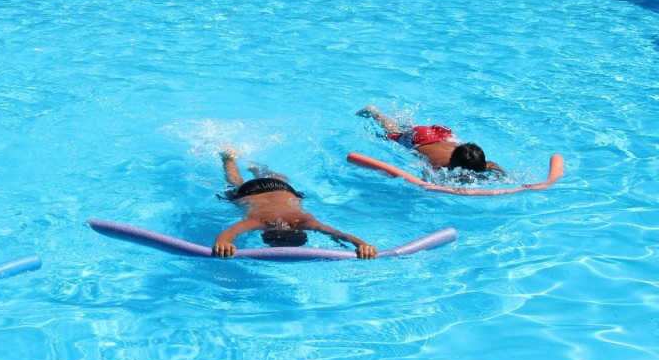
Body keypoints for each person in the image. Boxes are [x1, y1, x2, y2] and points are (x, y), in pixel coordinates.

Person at [214, 149, 377, 259]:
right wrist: (223, 243)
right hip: (248, 192)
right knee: (235, 184)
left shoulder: (305, 222)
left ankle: (251, 167)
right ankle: (231, 161)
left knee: (280, 179)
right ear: (263, 233)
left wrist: (362, 244)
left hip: (282, 188)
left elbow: (338, 234)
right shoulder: (260, 222)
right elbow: (232, 231)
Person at [357, 106, 505, 174]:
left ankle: (406, 119)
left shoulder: (482, 164)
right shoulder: (439, 167)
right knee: (392, 133)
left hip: (444, 135)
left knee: (409, 128)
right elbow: (427, 178)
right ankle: (374, 112)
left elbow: (499, 170)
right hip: (419, 139)